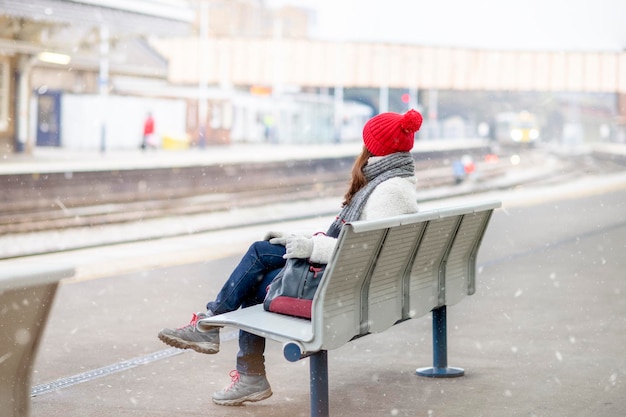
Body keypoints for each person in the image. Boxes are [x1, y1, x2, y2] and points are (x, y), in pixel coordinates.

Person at [157, 109, 424, 406]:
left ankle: (218, 334)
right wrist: (305, 242)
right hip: (351, 281)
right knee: (262, 255)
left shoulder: (390, 192)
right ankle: (222, 340)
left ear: (376, 147)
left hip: (343, 286)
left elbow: (370, 253)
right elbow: (360, 244)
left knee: (257, 273)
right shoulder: (392, 181)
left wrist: (310, 249)